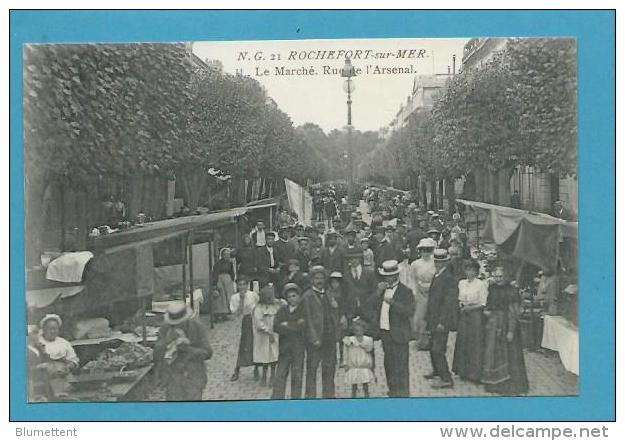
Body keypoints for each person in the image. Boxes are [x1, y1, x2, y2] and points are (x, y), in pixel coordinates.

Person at [482, 267, 529, 395]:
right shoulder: (492, 289)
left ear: (506, 277)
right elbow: (488, 305)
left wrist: (511, 331)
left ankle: (511, 385)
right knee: (494, 353)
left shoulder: (512, 291)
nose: (498, 279)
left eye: (501, 276)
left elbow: (513, 312)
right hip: (494, 325)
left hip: (507, 324)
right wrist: (487, 312)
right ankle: (496, 382)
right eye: (496, 276)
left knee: (510, 353)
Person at [373, 260, 415, 398]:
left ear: (396, 275)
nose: (387, 279)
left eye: (389, 276)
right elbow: (369, 306)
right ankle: (392, 392)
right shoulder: (381, 289)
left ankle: (403, 395)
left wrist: (394, 303)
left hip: (400, 334)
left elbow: (409, 311)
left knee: (401, 366)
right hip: (385, 332)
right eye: (385, 276)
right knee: (389, 365)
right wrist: (377, 292)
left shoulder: (405, 291)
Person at [154, 301, 213, 400]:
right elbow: (156, 355)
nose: (176, 326)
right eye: (173, 324)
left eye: (179, 323)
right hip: (173, 378)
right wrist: (167, 341)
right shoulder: (165, 328)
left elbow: (208, 353)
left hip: (193, 376)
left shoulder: (197, 327)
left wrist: (188, 349)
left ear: (185, 319)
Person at [301, 265, 339, 398]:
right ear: (311, 280)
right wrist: (313, 338)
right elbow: (308, 320)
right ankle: (310, 398)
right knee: (312, 369)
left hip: (330, 337)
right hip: (316, 339)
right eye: (316, 278)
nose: (319, 280)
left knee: (329, 369)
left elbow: (334, 312)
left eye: (322, 278)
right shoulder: (307, 296)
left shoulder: (329, 293)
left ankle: (329, 396)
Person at [424, 249, 459, 389]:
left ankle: (446, 378)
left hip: (441, 321)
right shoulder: (437, 275)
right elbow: (432, 298)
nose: (438, 264)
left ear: (445, 262)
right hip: (433, 318)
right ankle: (437, 370)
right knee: (432, 346)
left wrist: (442, 322)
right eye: (436, 261)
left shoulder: (449, 278)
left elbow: (449, 303)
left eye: (441, 261)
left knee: (438, 349)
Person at [453, 260, 488, 383]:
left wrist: (470, 308)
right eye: (467, 270)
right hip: (464, 315)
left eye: (472, 270)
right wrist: (462, 305)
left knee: (475, 342)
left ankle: (475, 374)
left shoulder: (481, 284)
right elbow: (460, 299)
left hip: (476, 316)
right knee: (463, 341)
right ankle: (463, 371)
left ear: (477, 272)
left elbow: (483, 303)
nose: (470, 273)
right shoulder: (462, 283)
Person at [271, 283, 307, 399]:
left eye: (294, 296)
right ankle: (277, 401)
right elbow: (276, 326)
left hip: (298, 349)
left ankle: (295, 401)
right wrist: (294, 326)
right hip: (284, 349)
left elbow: (302, 326)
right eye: (289, 297)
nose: (292, 299)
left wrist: (287, 325)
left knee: (297, 376)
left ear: (299, 296)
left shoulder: (303, 310)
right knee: (280, 375)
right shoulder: (282, 310)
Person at [252, 284, 285, 387]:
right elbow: (258, 323)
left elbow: (285, 304)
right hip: (263, 336)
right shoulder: (259, 308)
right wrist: (267, 331)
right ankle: (264, 376)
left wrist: (278, 301)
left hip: (274, 333)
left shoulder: (276, 306)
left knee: (274, 355)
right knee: (265, 356)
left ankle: (273, 376)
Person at [229, 276, 260, 382]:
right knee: (244, 345)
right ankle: (237, 369)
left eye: (244, 284)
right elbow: (238, 313)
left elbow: (259, 307)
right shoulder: (234, 297)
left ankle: (256, 369)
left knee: (255, 344)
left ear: (247, 285)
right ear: (237, 286)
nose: (242, 287)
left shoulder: (253, 295)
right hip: (245, 321)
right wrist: (241, 300)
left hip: (255, 320)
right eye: (240, 284)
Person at [409, 238, 437, 348]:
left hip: (433, 291)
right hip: (420, 293)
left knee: (432, 315)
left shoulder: (434, 263)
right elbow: (412, 279)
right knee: (420, 317)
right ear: (419, 251)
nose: (425, 252)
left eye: (428, 250)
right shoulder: (415, 264)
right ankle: (421, 341)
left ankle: (432, 341)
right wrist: (414, 292)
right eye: (423, 250)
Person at [343, 250, 378, 330]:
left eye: (356, 258)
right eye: (351, 259)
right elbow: (344, 295)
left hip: (367, 311)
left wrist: (370, 305)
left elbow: (374, 292)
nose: (354, 261)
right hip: (351, 312)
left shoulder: (369, 274)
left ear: (360, 259)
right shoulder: (345, 275)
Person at [343, 318, 375, 398]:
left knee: (365, 384)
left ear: (364, 330)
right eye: (356, 331)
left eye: (360, 331)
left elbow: (369, 349)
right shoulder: (350, 340)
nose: (358, 333)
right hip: (354, 365)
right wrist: (346, 363)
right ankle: (353, 397)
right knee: (354, 385)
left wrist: (362, 344)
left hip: (363, 365)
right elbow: (345, 351)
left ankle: (366, 397)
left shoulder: (367, 340)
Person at [212, 247, 235, 321]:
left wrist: (232, 279)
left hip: (228, 281)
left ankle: (226, 314)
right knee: (221, 298)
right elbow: (215, 273)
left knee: (228, 297)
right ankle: (219, 315)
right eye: (225, 254)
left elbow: (232, 272)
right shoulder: (218, 263)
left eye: (228, 254)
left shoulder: (230, 263)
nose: (226, 256)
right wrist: (215, 284)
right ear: (222, 255)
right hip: (220, 280)